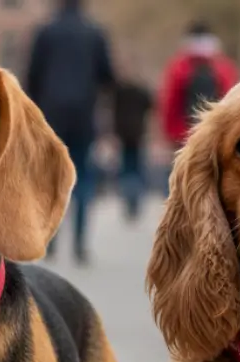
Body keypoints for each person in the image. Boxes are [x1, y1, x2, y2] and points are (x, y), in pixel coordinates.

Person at [25, 0, 116, 266]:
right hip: (83, 115)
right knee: (83, 178)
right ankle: (80, 244)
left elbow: (32, 76)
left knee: (51, 178)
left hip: (51, 116)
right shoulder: (95, 32)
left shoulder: (45, 32)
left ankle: (50, 240)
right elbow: (107, 77)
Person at [157, 21, 238, 153]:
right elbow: (231, 100)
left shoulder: (178, 67)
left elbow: (169, 102)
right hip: (216, 133)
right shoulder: (224, 67)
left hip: (183, 135)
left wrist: (170, 133)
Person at [111, 62, 152, 223]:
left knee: (126, 169)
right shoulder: (141, 92)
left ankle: (128, 203)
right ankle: (134, 203)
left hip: (123, 135)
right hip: (138, 134)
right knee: (136, 169)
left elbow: (113, 112)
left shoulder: (119, 92)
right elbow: (151, 109)